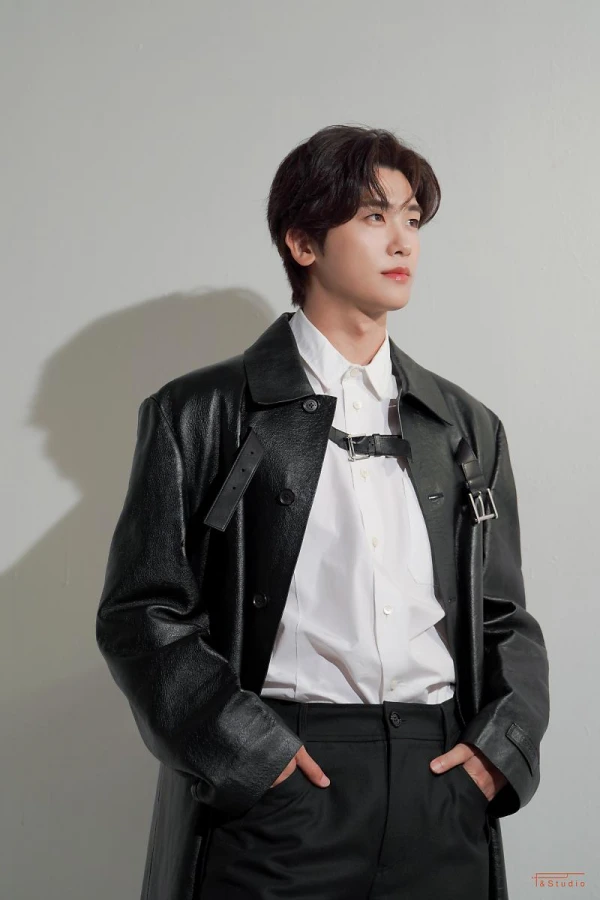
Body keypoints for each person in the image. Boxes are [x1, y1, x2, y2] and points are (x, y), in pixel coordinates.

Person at [96, 124, 550, 900]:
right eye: (373, 217)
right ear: (303, 243)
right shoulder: (199, 413)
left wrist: (497, 752)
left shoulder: (467, 427)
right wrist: (250, 755)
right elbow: (143, 613)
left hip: (442, 786)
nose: (402, 240)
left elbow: (504, 617)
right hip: (282, 791)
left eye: (411, 218)